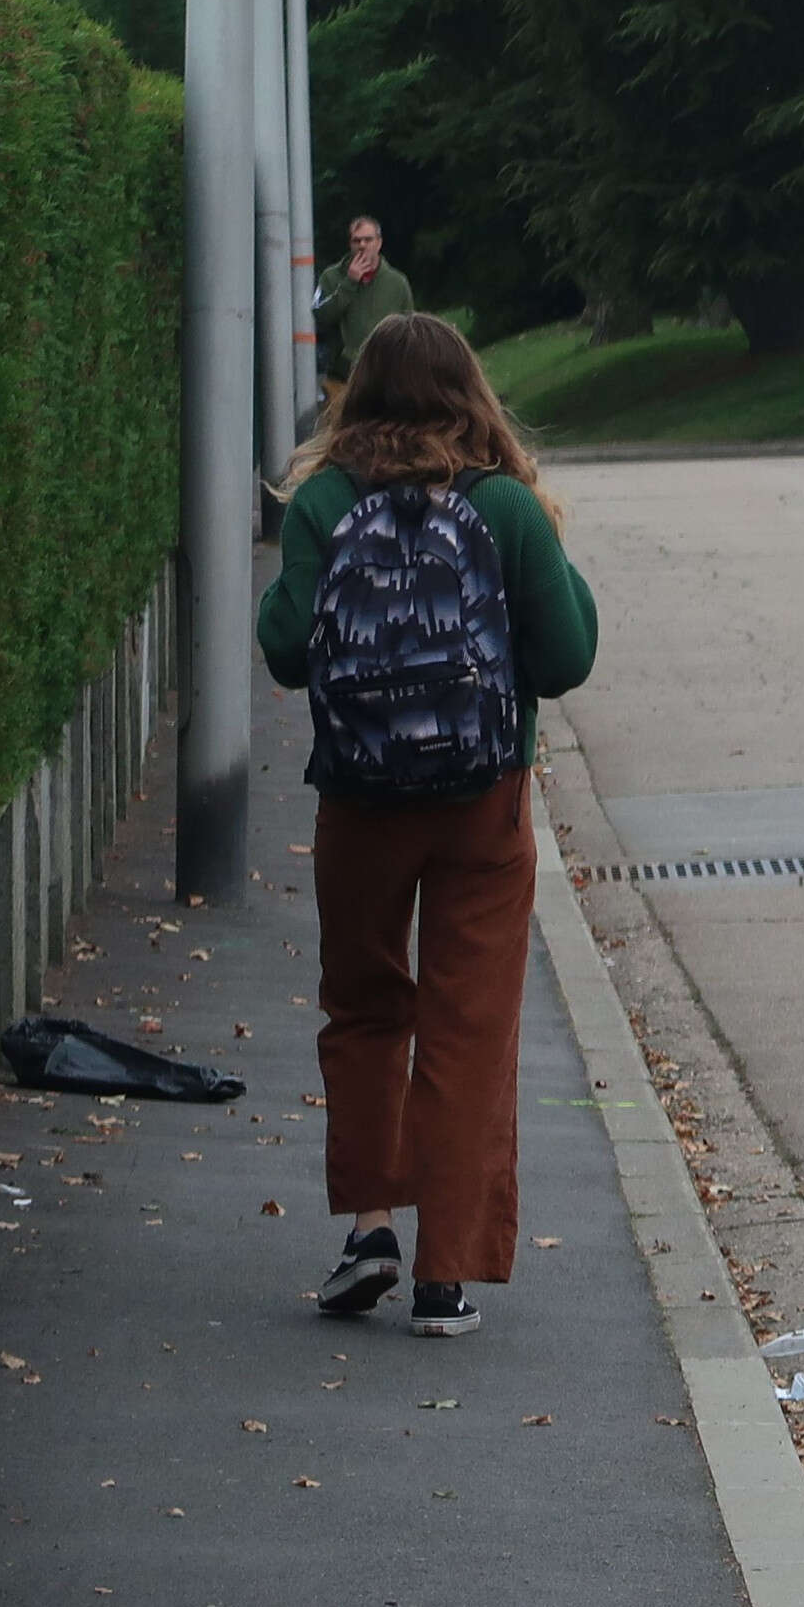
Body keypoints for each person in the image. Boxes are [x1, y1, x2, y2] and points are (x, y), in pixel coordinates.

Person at [257, 313, 599, 1336]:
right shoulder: (501, 508)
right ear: (470, 395)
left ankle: (370, 1229)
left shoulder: (324, 501)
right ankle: (446, 1273)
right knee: (468, 1024)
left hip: (361, 797)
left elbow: (283, 650)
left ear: (356, 397)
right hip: (483, 802)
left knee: (365, 1008)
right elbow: (567, 656)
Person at [312, 216, 417, 419]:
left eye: (368, 240)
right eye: (356, 240)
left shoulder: (397, 282)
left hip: (385, 381)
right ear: (350, 244)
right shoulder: (330, 277)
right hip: (341, 379)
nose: (362, 246)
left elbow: (410, 328)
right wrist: (350, 283)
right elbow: (321, 317)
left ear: (378, 243)